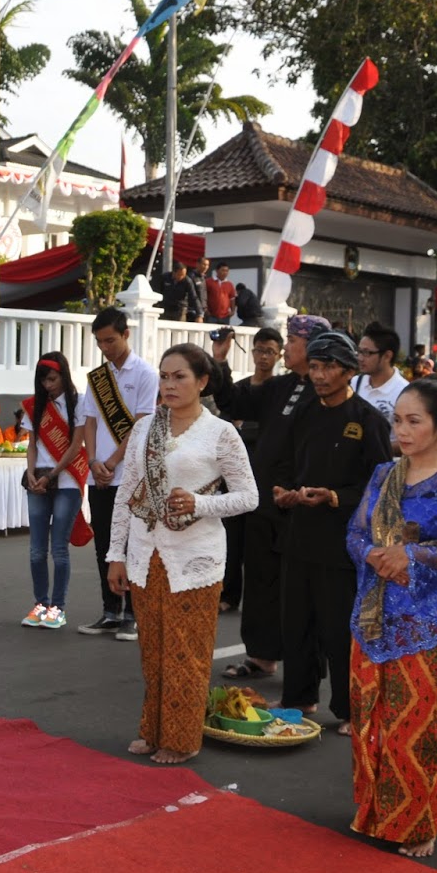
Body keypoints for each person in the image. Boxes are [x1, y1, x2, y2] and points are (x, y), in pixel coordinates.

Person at [346, 375, 437, 858]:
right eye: (397, 421)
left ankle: (417, 823)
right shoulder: (384, 475)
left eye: (414, 421)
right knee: (370, 720)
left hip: (427, 624)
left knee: (418, 725)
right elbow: (354, 532)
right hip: (372, 616)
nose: (401, 431)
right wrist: (373, 556)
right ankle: (374, 811)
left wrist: (412, 556)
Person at [106, 343, 259, 764]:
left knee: (186, 653)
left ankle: (182, 738)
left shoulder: (220, 433)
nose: (170, 385)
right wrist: (114, 554)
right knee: (152, 650)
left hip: (195, 558)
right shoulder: (143, 429)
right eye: (164, 376)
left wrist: (200, 503)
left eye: (180, 377)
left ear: (203, 382)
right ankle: (152, 730)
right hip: (144, 552)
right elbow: (125, 495)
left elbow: (249, 496)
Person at [270, 331, 393, 734]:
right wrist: (281, 490)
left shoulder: (368, 421)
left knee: (339, 628)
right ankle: (299, 697)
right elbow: (285, 462)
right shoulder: (304, 412)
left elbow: (379, 485)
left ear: (349, 371)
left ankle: (349, 709)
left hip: (343, 542)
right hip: (299, 534)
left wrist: (335, 497)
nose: (320, 375)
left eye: (329, 367)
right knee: (295, 622)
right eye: (316, 367)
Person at [209, 315, 331, 681]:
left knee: (298, 592)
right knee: (261, 583)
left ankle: (304, 673)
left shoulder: (325, 394)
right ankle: (261, 658)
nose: (288, 345)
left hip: (300, 507)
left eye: (293, 339)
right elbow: (234, 402)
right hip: (263, 501)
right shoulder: (279, 386)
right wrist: (219, 360)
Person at [76, 306, 158, 639]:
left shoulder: (146, 374)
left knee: (132, 545)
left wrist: (113, 462)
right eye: (99, 342)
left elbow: (142, 423)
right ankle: (110, 611)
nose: (105, 347)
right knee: (105, 545)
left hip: (130, 474)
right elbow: (90, 421)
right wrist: (94, 460)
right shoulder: (98, 377)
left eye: (110, 340)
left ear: (126, 334)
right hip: (101, 475)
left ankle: (133, 615)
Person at [18, 353, 89, 630]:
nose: (48, 385)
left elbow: (75, 446)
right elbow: (32, 444)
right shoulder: (34, 406)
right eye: (43, 380)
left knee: (58, 548)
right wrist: (33, 473)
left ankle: (57, 608)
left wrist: (52, 476)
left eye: (52, 379)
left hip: (66, 479)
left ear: (64, 376)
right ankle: (40, 604)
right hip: (39, 478)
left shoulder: (79, 403)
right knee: (36, 550)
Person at [218, 327, 282, 615]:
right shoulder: (241, 390)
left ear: (279, 355)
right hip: (235, 476)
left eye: (270, 351)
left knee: (260, 545)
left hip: (268, 480)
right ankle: (229, 594)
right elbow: (226, 426)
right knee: (232, 540)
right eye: (259, 350)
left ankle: (262, 599)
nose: (263, 356)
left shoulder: (282, 393)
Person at [353, 321, 410, 424]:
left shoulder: (404, 392)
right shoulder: (355, 383)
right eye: (359, 351)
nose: (360, 358)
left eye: (366, 353)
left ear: (387, 356)